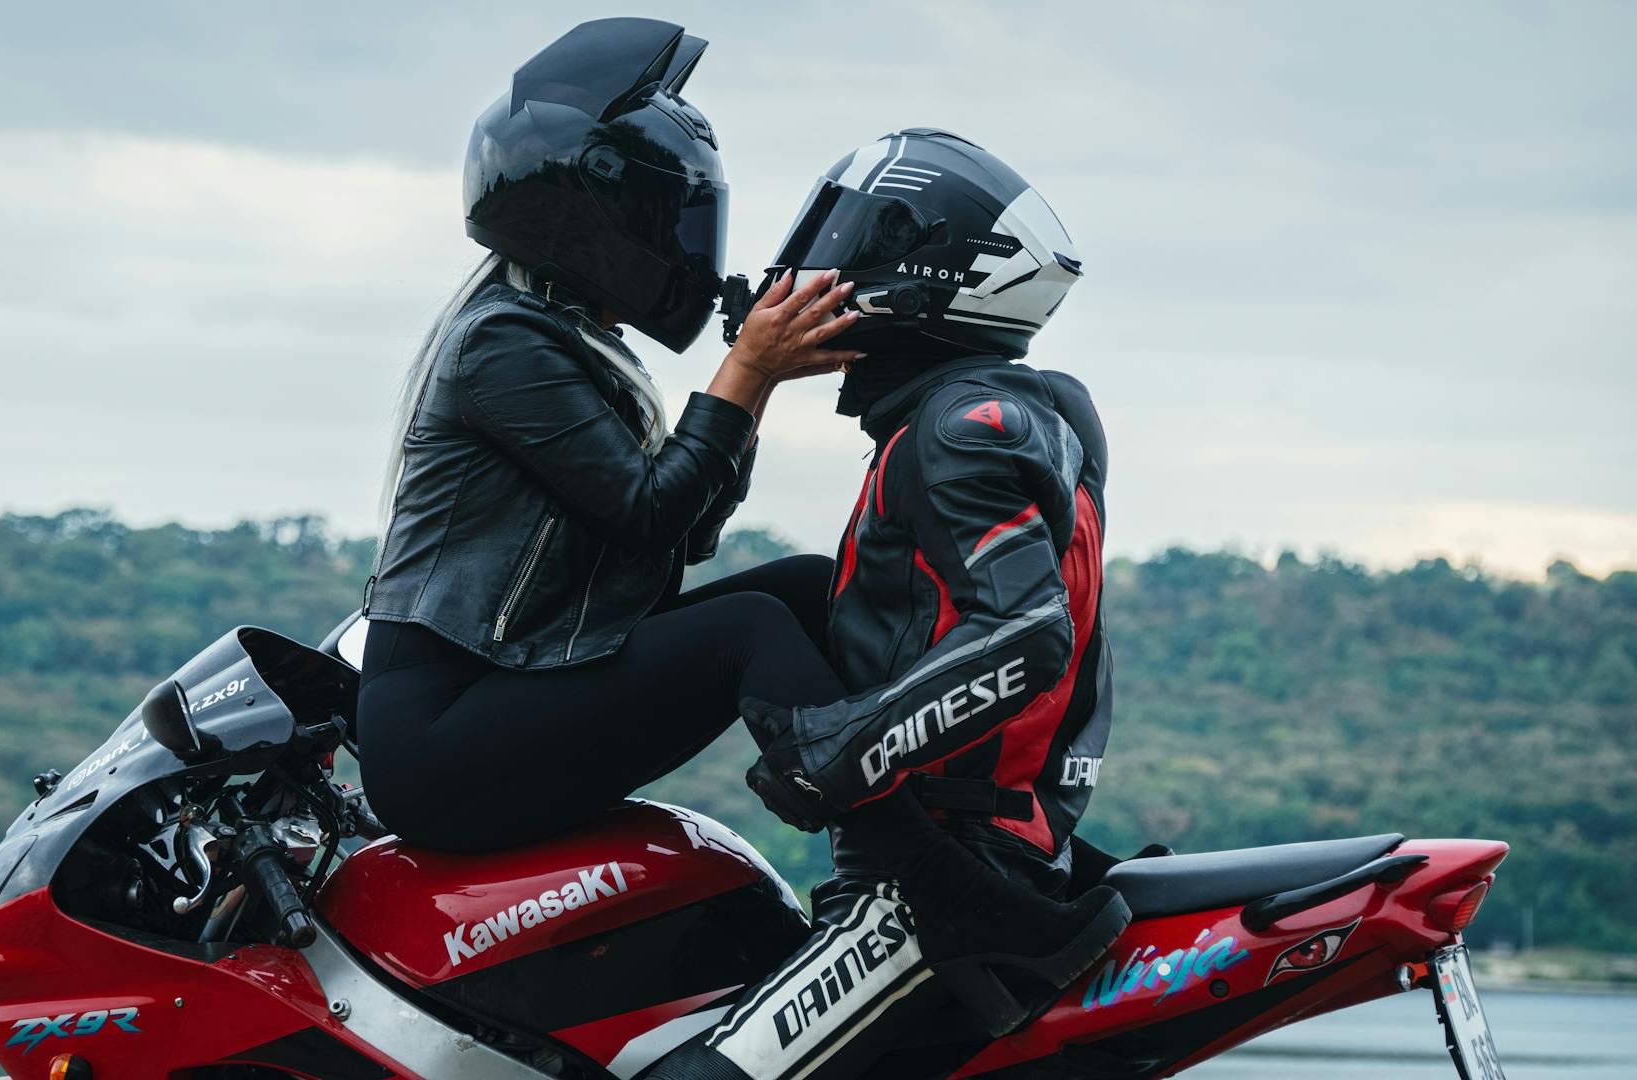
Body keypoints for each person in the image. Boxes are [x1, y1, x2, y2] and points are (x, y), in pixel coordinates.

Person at [645, 130, 1130, 1080]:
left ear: (925, 276)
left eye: (850, 242)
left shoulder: (962, 428)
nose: (819, 269)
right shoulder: (978, 410)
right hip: (953, 846)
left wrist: (840, 754)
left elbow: (1027, 632)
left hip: (944, 870)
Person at [354, 18, 863, 852]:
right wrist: (752, 370)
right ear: (595, 214)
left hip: (529, 681)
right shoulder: (503, 344)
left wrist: (754, 383)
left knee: (812, 588)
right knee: (751, 632)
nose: (684, 243)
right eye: (665, 217)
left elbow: (686, 536)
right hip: (443, 739)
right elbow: (650, 512)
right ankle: (926, 870)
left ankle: (979, 824)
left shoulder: (569, 339)